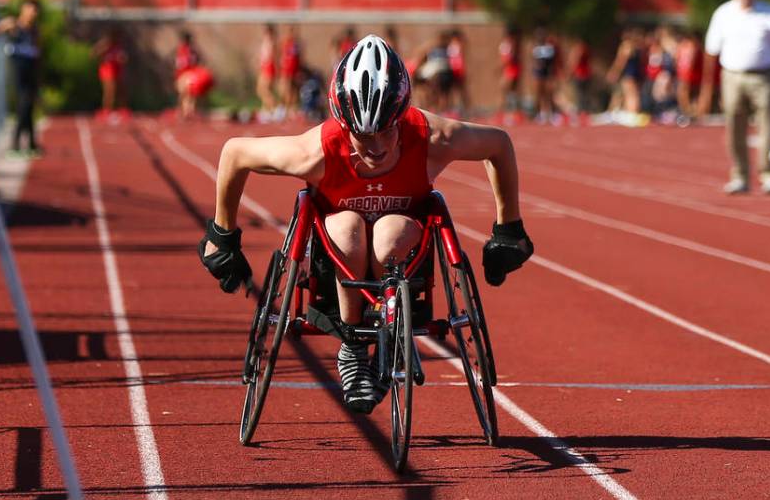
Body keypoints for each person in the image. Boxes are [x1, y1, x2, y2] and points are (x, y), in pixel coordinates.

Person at [198, 35, 534, 414]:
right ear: (343, 123)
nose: (374, 146)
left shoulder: (433, 138)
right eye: (361, 135)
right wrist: (221, 236)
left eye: (387, 131)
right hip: (337, 252)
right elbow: (235, 153)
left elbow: (499, 146)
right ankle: (353, 347)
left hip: (404, 243)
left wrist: (509, 228)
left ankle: (390, 342)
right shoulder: (314, 151)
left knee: (390, 232)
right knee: (347, 227)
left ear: (403, 115)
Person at [702, 0, 770, 194]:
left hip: (764, 76)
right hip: (732, 76)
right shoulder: (723, 14)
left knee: (767, 127)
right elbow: (712, 51)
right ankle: (740, 175)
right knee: (734, 127)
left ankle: (769, 174)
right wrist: (708, 86)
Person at [0, 0, 43, 156]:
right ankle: (15, 145)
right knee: (23, 106)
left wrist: (40, 79)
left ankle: (31, 144)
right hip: (18, 71)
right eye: (30, 9)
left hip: (31, 72)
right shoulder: (13, 24)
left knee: (30, 108)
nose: (33, 13)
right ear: (23, 9)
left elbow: (39, 54)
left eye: (35, 10)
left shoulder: (35, 30)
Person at [174, 31, 214, 121]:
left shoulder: (182, 50)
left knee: (185, 95)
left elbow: (180, 64)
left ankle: (186, 112)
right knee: (190, 95)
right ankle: (189, 112)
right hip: (191, 74)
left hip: (185, 75)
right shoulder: (191, 50)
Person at [93, 26, 128, 118]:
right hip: (107, 71)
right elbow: (93, 54)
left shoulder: (119, 45)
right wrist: (103, 51)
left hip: (117, 70)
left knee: (121, 90)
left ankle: (122, 109)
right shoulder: (105, 44)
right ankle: (106, 110)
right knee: (109, 91)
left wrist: (121, 59)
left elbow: (124, 58)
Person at [531, 27, 562, 123]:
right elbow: (535, 62)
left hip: (548, 74)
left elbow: (552, 62)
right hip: (539, 74)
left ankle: (553, 114)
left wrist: (552, 75)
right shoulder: (535, 48)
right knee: (540, 94)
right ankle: (541, 113)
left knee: (550, 94)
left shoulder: (549, 48)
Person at [256, 24, 279, 122]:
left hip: (269, 67)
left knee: (264, 90)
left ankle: (276, 108)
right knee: (259, 89)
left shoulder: (272, 42)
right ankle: (266, 110)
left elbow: (273, 56)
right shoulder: (266, 41)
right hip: (264, 67)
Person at [498, 27, 522, 121]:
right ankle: (507, 113)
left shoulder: (513, 44)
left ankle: (511, 114)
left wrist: (501, 67)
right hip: (507, 70)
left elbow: (510, 58)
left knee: (508, 92)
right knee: (506, 92)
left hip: (511, 70)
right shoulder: (505, 44)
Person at [279, 25, 302, 117]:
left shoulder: (296, 44)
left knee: (293, 89)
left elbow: (299, 57)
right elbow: (281, 55)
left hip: (294, 69)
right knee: (285, 89)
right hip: (286, 69)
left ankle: (292, 108)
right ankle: (286, 107)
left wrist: (299, 68)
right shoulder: (284, 42)